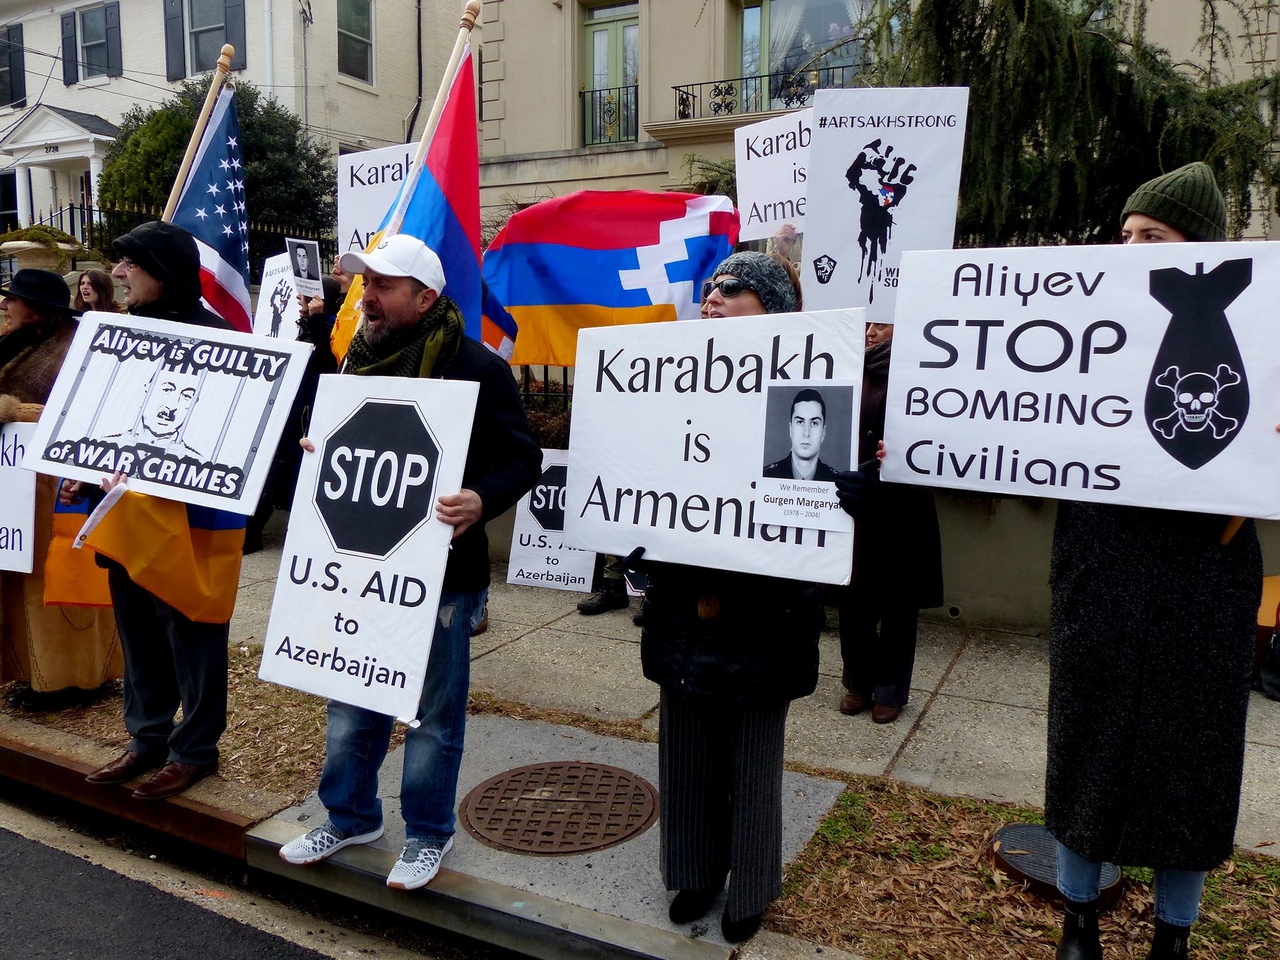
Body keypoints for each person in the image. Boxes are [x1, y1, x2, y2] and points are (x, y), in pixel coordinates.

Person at [278, 234, 540, 891]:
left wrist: (481, 498)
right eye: (365, 284)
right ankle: (349, 816)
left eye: (383, 286)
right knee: (350, 704)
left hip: (440, 576)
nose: (366, 296)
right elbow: (340, 441)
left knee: (430, 715)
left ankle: (427, 834)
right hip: (357, 569)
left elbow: (522, 458)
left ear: (425, 298)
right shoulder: (354, 360)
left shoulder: (475, 368)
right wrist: (320, 450)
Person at [1046, 162, 1262, 960]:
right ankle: (1078, 920)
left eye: (1154, 236)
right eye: (1126, 234)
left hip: (1207, 573)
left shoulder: (1260, 341)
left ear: (1197, 253)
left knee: (1191, 760)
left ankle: (1174, 934)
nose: (1132, 248)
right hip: (1102, 562)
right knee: (1086, 742)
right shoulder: (1086, 332)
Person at [640, 251, 821, 943]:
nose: (713, 296)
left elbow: (821, 497)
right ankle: (693, 871)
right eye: (711, 286)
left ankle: (749, 885)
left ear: (774, 309)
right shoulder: (668, 382)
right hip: (684, 601)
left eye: (734, 287)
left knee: (752, 754)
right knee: (686, 745)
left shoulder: (808, 393)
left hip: (764, 610)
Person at [65, 221, 243, 801]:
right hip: (124, 517)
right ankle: (147, 739)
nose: (117, 273)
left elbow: (240, 440)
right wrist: (81, 472)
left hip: (190, 524)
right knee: (138, 636)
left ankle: (195, 751)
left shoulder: (222, 344)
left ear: (163, 272)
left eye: (130, 263)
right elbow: (100, 424)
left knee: (193, 634)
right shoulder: (118, 338)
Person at [0, 269, 122, 710]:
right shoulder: (15, 342)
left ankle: (73, 678)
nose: (4, 305)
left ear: (36, 310)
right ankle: (35, 672)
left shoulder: (71, 349)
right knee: (23, 585)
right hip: (18, 486)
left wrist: (12, 411)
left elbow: (75, 411)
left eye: (13, 299)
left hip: (58, 486)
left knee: (59, 583)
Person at [833, 321, 942, 724]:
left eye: (881, 324)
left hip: (902, 501)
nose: (871, 331)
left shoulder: (921, 368)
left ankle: (891, 688)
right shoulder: (849, 364)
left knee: (898, 600)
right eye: (868, 323)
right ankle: (857, 681)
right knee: (853, 596)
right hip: (856, 497)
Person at [762, 387, 840, 480]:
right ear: (790, 429)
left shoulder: (837, 481)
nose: (806, 433)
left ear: (823, 432)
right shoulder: (766, 476)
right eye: (800, 422)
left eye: (814, 423)